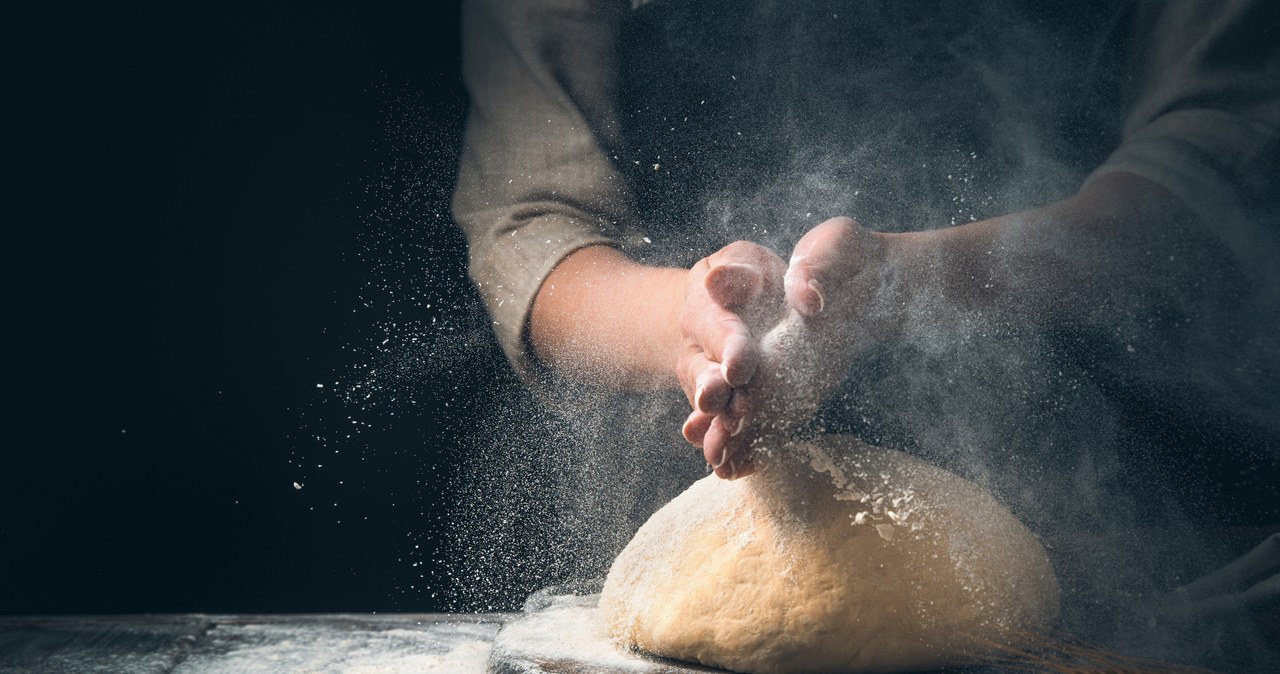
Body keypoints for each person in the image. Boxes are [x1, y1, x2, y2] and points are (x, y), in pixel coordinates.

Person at [453, 0, 1279, 479]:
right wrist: (692, 322)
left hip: (1122, 500)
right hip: (715, 497)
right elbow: (534, 228)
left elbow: (1223, 165)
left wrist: (901, 282)